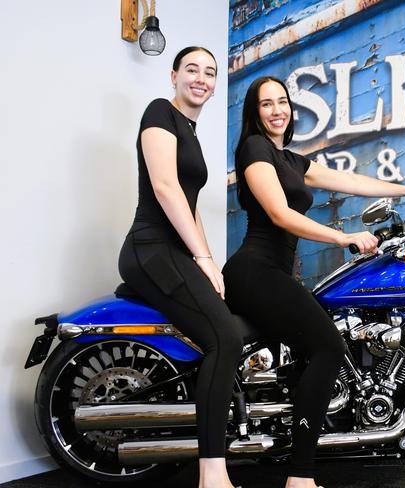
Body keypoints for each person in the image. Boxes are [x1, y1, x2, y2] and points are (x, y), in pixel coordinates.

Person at [222, 76, 405, 488]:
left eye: (282, 101)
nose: (276, 110)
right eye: (266, 104)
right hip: (254, 271)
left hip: (273, 273)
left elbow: (350, 181)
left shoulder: (290, 159)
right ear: (255, 113)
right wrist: (345, 237)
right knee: (327, 347)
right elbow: (280, 215)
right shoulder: (255, 151)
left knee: (317, 345)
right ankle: (299, 477)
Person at [118, 47, 243, 488]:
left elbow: (190, 210)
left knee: (232, 327)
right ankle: (212, 474)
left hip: (174, 250)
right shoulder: (159, 112)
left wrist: (210, 265)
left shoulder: (189, 130)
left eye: (210, 73)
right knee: (224, 339)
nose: (202, 79)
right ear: (174, 75)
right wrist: (202, 258)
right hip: (150, 248)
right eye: (192, 69)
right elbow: (167, 189)